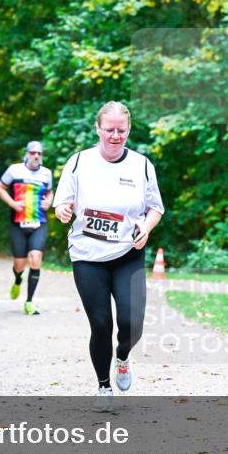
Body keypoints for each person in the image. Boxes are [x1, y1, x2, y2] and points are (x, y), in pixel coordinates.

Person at [53, 101, 164, 408]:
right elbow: (63, 202)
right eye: (109, 130)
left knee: (132, 322)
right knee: (101, 323)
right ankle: (104, 386)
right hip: (88, 255)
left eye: (122, 130)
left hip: (128, 253)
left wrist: (148, 227)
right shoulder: (79, 162)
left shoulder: (141, 165)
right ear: (98, 129)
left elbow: (155, 207)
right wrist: (63, 210)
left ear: (129, 130)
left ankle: (124, 356)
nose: (115, 136)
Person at [0, 141, 53, 315]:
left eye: (39, 153)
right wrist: (12, 203)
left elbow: (49, 192)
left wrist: (49, 201)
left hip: (39, 223)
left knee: (35, 258)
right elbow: (0, 188)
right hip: (18, 224)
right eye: (33, 153)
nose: (36, 156)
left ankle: (29, 302)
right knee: (19, 265)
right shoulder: (14, 170)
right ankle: (18, 278)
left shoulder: (46, 173)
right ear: (27, 154)